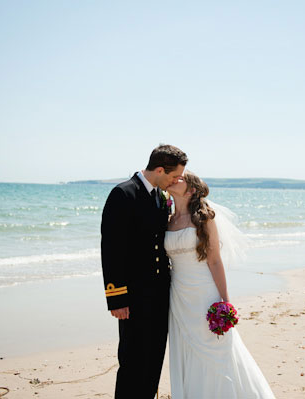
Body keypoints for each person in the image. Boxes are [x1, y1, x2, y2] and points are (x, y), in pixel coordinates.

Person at [165, 171, 276, 398]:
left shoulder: (204, 219)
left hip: (204, 293)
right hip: (178, 296)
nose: (175, 179)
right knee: (186, 348)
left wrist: (225, 302)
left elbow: (215, 261)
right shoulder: (167, 219)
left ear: (192, 190)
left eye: (181, 179)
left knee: (215, 350)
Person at [100, 144, 188, 398]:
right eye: (174, 176)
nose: (176, 181)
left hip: (160, 294)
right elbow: (112, 250)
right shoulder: (123, 194)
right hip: (133, 298)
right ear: (159, 169)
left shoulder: (161, 197)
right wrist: (116, 298)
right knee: (132, 362)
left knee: (154, 360)